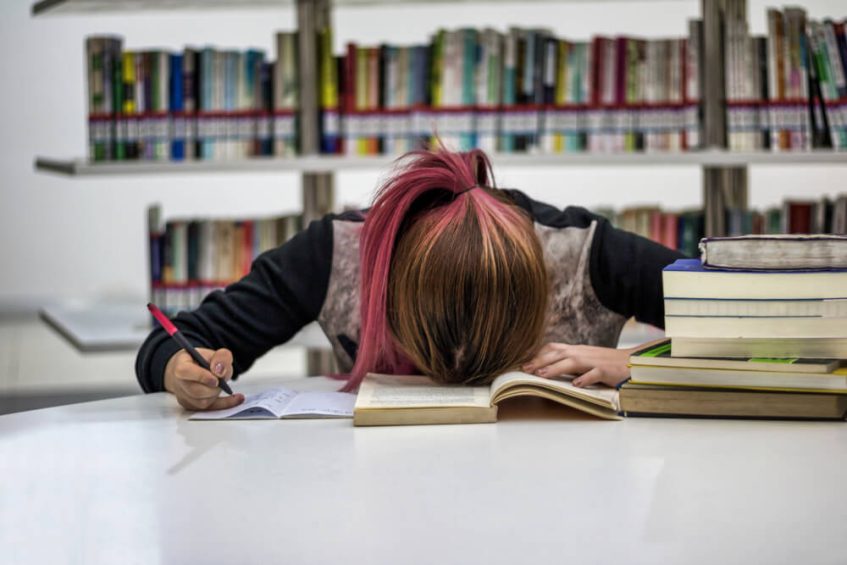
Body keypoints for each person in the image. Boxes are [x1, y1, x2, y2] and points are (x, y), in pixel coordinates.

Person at [135, 147, 683, 411]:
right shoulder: (334, 255)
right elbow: (169, 342)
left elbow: (764, 328)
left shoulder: (585, 252)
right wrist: (177, 369)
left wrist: (637, 363)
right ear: (394, 279)